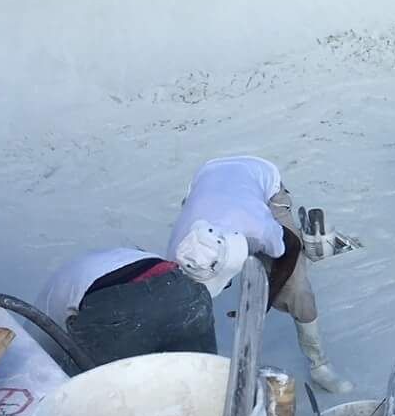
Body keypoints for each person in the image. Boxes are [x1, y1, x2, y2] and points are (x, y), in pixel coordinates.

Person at [165, 155, 353, 393]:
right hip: (208, 178)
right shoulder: (181, 249)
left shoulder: (258, 229)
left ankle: (319, 365)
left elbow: (290, 248)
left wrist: (263, 302)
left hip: (261, 177)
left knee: (297, 288)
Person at [37, 246, 215, 366]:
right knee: (201, 375)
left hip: (114, 306)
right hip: (178, 287)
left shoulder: (37, 332)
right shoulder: (107, 257)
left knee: (121, 397)